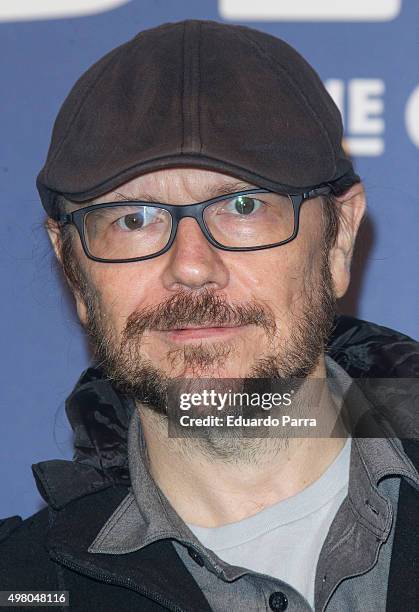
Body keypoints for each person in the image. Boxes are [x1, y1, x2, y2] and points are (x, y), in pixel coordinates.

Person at [1, 20, 418, 612]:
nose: (191, 267)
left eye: (243, 205)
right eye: (133, 219)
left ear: (338, 241)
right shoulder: (20, 586)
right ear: (73, 270)